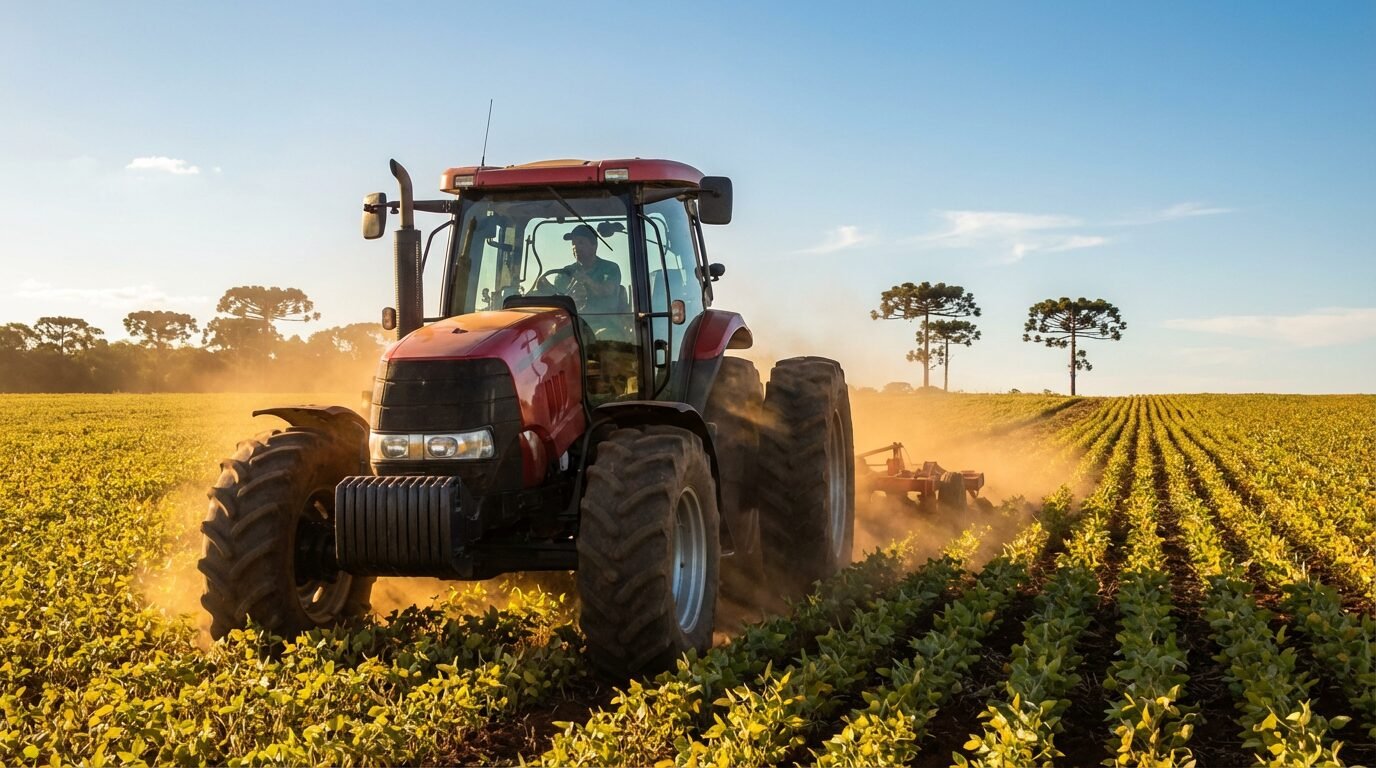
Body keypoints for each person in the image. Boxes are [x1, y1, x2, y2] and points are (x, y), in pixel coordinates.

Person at [547, 224, 624, 315]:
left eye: (581, 242)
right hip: (572, 323)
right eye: (573, 244)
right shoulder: (565, 273)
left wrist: (587, 281)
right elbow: (557, 300)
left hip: (605, 323)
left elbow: (607, 291)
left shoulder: (610, 268)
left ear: (594, 246)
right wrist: (571, 293)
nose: (575, 247)